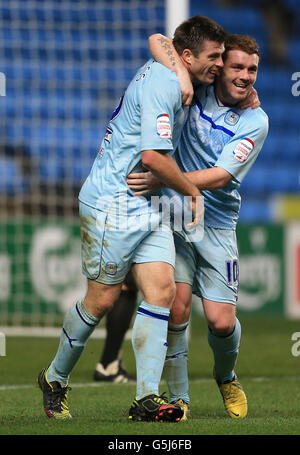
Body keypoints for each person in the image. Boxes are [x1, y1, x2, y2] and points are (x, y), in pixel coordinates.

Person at [37, 15, 227, 422]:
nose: (220, 65)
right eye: (215, 57)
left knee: (161, 291)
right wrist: (191, 190)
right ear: (188, 55)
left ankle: (146, 397)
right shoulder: (163, 84)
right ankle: (55, 377)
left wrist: (186, 75)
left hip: (146, 202)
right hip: (112, 203)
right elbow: (153, 158)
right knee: (102, 299)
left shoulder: (173, 69)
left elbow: (160, 39)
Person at [127, 33, 269, 420]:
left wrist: (165, 178)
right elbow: (157, 39)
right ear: (219, 67)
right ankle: (180, 398)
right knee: (176, 309)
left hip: (218, 224)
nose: (245, 77)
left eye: (252, 69)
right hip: (174, 217)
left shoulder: (256, 120)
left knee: (222, 322)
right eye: (237, 67)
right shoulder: (198, 85)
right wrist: (183, 76)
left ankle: (226, 375)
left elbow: (222, 176)